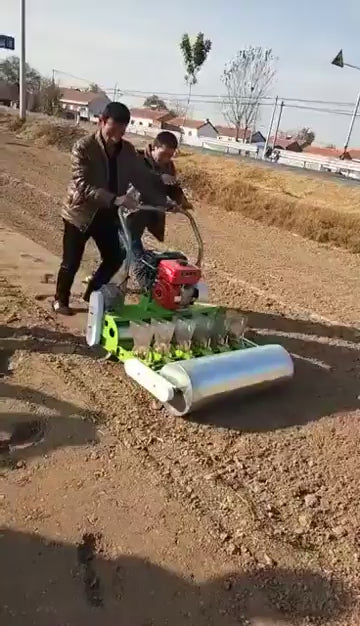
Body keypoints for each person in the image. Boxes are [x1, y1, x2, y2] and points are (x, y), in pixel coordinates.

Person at [53, 102, 168, 315]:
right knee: (71, 261)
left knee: (114, 257)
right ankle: (60, 299)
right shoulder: (83, 147)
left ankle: (92, 295)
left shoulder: (128, 150)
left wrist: (166, 202)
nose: (117, 135)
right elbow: (82, 185)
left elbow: (141, 178)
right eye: (112, 129)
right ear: (101, 122)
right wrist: (116, 199)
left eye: (122, 131)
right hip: (80, 214)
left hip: (107, 215)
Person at [127, 131, 192, 281]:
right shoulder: (137, 159)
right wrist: (160, 179)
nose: (166, 159)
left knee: (128, 249)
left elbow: (172, 187)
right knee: (135, 254)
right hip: (127, 212)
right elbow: (141, 183)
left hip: (145, 214)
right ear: (154, 147)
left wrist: (179, 203)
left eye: (170, 155)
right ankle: (147, 287)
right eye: (163, 154)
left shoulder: (168, 166)